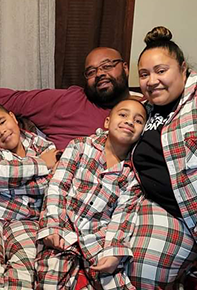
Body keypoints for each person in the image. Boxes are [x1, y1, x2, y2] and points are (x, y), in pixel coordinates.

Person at [129, 26, 197, 288]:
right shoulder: (144, 109)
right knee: (140, 273)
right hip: (166, 213)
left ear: (183, 68)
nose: (151, 81)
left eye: (161, 71)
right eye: (144, 74)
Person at [35, 98, 147, 289]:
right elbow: (57, 187)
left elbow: (123, 214)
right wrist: (52, 225)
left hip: (98, 238)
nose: (129, 121)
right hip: (64, 230)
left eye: (138, 121)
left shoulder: (134, 170)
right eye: (123, 115)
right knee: (50, 278)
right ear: (107, 122)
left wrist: (114, 251)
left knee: (116, 282)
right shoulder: (80, 146)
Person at [0, 47, 132, 149]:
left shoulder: (146, 111)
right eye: (91, 71)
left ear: (125, 68)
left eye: (107, 66)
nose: (99, 73)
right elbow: (14, 99)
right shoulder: (68, 101)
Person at [0, 103, 59, 289]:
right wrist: (41, 164)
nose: (1, 131)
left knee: (24, 267)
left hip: (27, 220)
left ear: (13, 117)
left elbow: (50, 184)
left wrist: (11, 183)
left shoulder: (41, 144)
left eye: (2, 122)